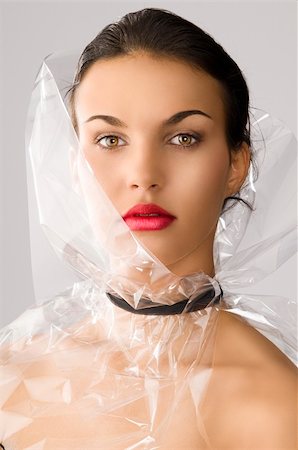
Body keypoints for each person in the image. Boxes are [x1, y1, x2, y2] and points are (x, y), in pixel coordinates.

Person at [0, 7, 297, 449]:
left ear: (237, 164)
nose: (143, 175)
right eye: (110, 140)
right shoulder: (14, 369)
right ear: (73, 167)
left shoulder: (275, 404)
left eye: (183, 138)